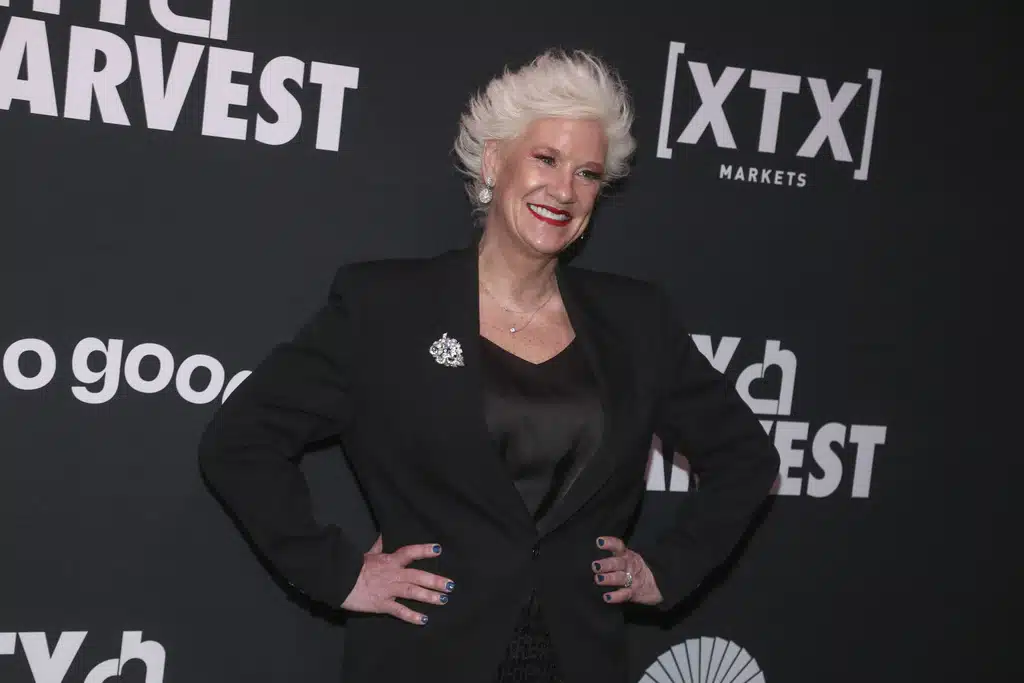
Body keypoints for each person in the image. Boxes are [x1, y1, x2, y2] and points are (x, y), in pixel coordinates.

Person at [198, 49, 779, 683]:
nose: (563, 190)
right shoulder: (386, 307)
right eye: (546, 159)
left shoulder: (637, 321)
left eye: (588, 172)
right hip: (423, 657)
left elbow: (745, 459)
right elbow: (241, 441)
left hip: (577, 659)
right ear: (496, 160)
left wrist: (666, 569)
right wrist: (338, 573)